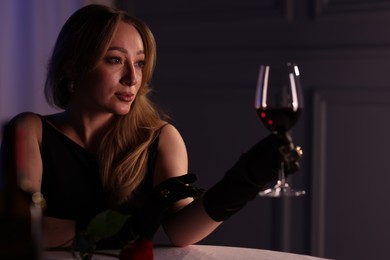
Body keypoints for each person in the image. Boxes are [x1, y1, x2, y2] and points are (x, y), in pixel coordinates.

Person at [0, 4, 302, 255]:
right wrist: (124, 228)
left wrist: (244, 180)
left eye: (140, 63)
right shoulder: (32, 131)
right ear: (72, 67)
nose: (133, 78)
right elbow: (22, 228)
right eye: (115, 60)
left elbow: (180, 231)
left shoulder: (159, 138)